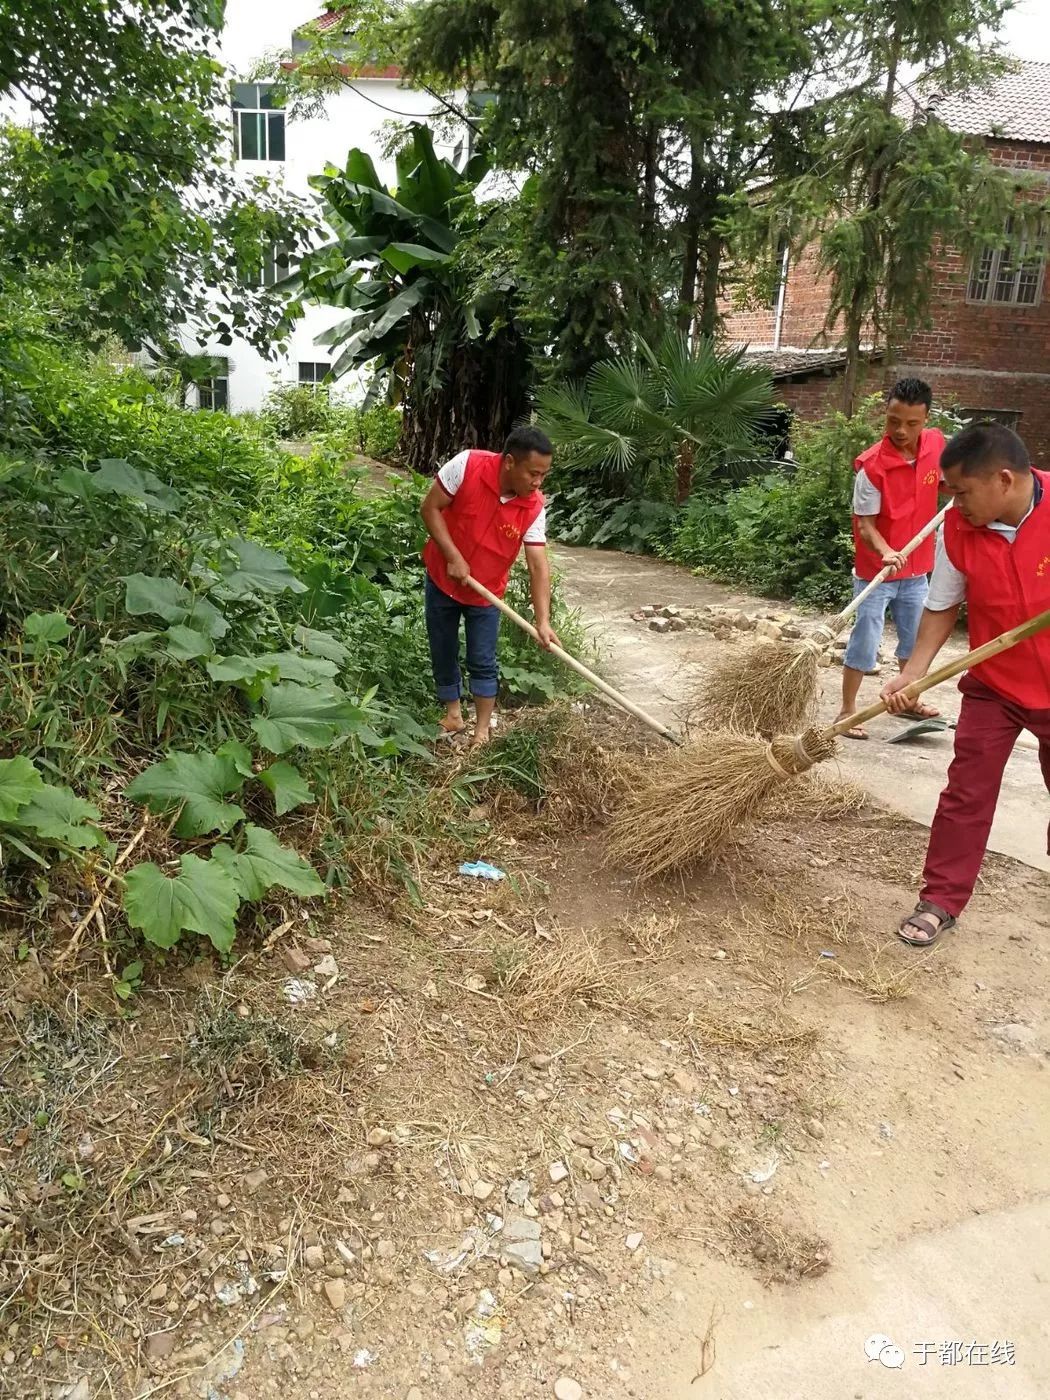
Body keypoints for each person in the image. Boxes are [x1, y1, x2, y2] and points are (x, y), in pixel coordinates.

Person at [882, 421, 1050, 946]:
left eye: (962, 491)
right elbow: (941, 603)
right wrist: (914, 672)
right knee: (966, 793)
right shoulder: (958, 527)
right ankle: (940, 899)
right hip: (995, 684)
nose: (955, 504)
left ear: (1004, 479)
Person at [420, 426, 560, 746]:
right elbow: (430, 509)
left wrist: (543, 620)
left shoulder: (533, 507)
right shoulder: (466, 465)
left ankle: (482, 730)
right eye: (533, 474)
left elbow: (538, 564)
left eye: (544, 475)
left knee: (482, 658)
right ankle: (454, 715)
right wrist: (453, 556)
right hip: (443, 579)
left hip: (486, 593)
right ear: (510, 462)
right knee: (443, 649)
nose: (538, 483)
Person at [837, 378, 945, 739]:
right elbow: (865, 526)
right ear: (886, 415)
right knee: (865, 640)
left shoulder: (935, 447)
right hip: (876, 574)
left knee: (915, 640)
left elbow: (941, 483)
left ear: (926, 419)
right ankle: (847, 710)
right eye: (893, 421)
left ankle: (909, 701)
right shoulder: (871, 468)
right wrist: (886, 552)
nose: (901, 431)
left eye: (912, 423)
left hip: (916, 570)